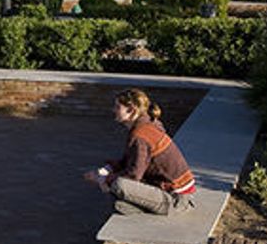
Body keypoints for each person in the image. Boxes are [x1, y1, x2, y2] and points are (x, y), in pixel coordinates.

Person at [84, 88, 196, 216]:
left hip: (177, 199)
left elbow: (133, 175)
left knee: (119, 185)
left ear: (131, 109)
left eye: (117, 107)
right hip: (172, 192)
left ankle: (153, 207)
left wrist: (103, 179)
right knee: (120, 204)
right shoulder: (147, 124)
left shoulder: (140, 136)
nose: (113, 110)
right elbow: (130, 161)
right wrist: (108, 169)